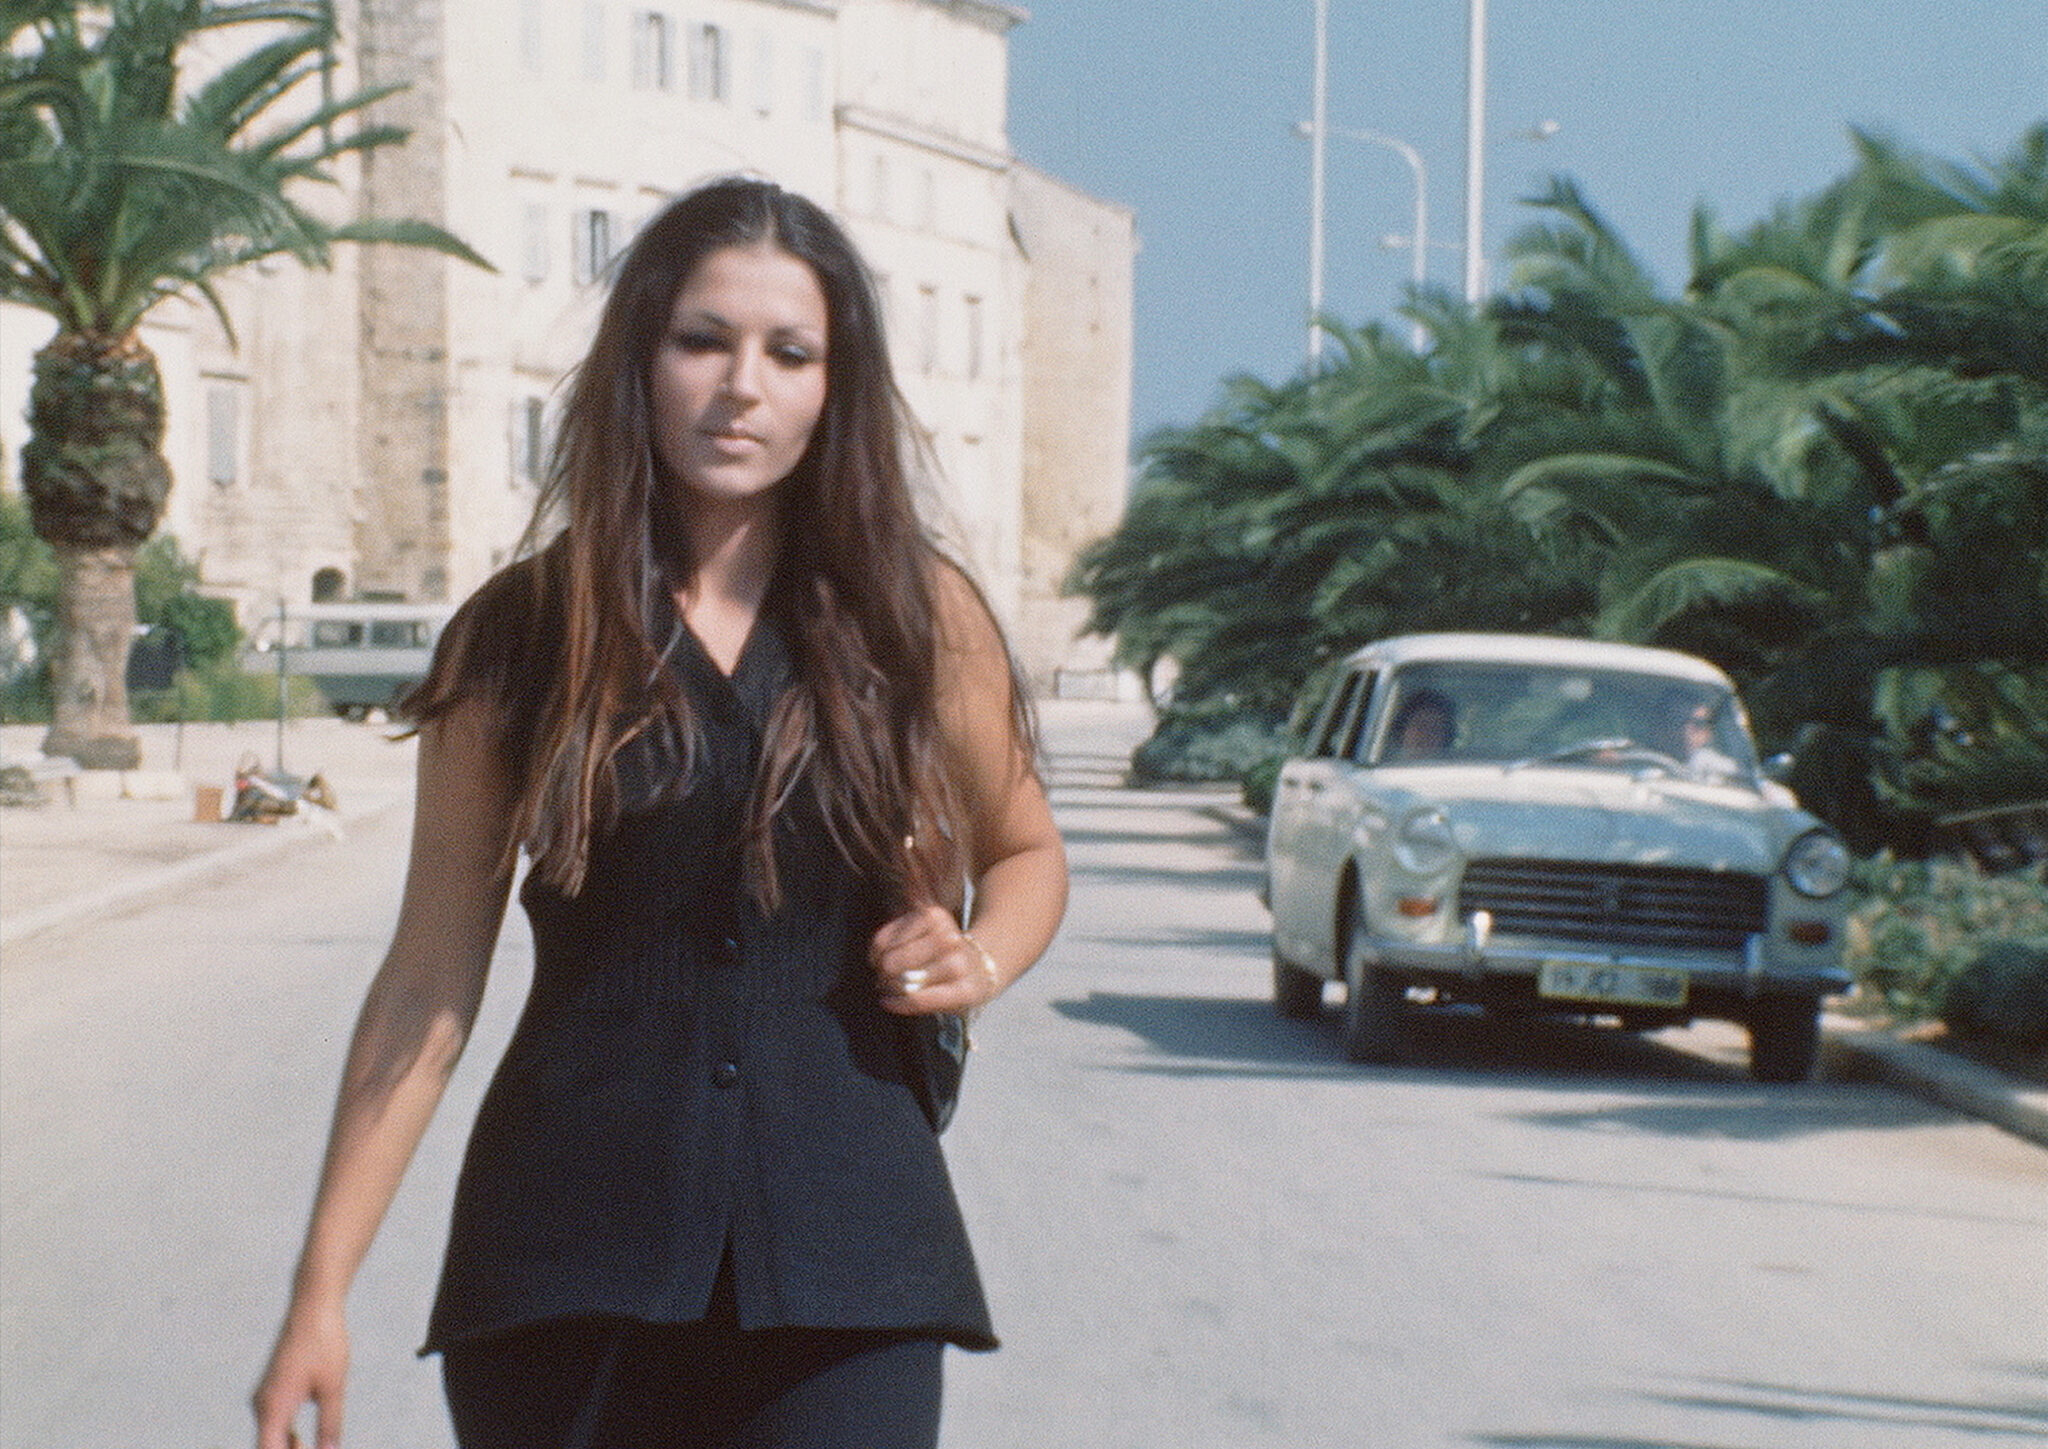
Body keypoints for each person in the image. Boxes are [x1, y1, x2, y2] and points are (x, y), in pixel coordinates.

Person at [252, 177, 1069, 1449]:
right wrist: (320, 1294)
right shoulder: (519, 637)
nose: (742, 385)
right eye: (703, 340)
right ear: (639, 358)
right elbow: (425, 985)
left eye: (788, 353)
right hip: (563, 1256)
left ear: (834, 388)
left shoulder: (917, 616)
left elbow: (1024, 851)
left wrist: (979, 957)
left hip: (850, 1256)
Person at [1385, 689, 1455, 760]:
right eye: (1421, 726)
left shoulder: (1452, 766)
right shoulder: (1384, 764)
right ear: (1403, 730)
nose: (1427, 734)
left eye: (1434, 729)